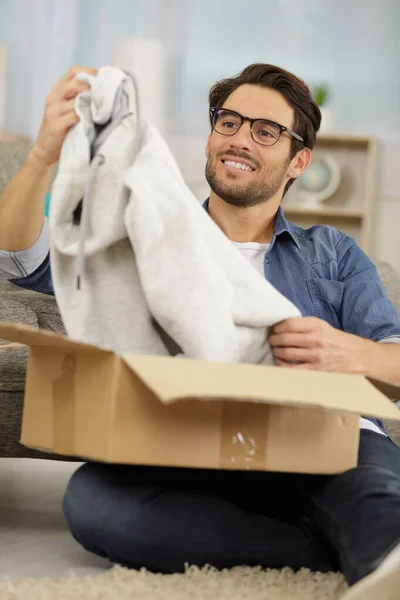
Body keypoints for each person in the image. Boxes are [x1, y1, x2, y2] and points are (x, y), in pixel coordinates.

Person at [0, 63, 400, 599]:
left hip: (323, 439)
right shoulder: (141, 240)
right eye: (229, 121)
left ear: (298, 160)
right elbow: (18, 256)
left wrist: (350, 352)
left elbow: (392, 359)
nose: (239, 139)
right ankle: (323, 547)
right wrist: (44, 155)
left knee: (376, 495)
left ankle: (368, 547)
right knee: (92, 503)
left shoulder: (333, 253)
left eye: (265, 131)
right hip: (192, 443)